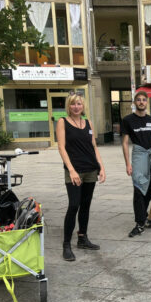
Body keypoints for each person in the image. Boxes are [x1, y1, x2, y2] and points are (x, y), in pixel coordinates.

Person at [56, 93, 106, 261]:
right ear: (68, 107)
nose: (76, 107)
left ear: (83, 106)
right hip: (75, 170)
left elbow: (94, 147)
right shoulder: (62, 122)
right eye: (73, 104)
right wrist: (71, 170)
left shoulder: (88, 123)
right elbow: (61, 148)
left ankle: (82, 238)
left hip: (90, 169)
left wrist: (101, 167)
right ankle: (66, 244)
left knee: (85, 205)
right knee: (74, 205)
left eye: (79, 104)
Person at [121, 91, 151, 237]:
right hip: (138, 156)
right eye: (138, 100)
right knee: (139, 189)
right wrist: (128, 164)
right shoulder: (128, 120)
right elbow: (125, 143)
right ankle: (139, 224)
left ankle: (144, 218)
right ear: (134, 103)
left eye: (144, 100)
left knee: (149, 190)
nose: (141, 102)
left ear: (147, 102)